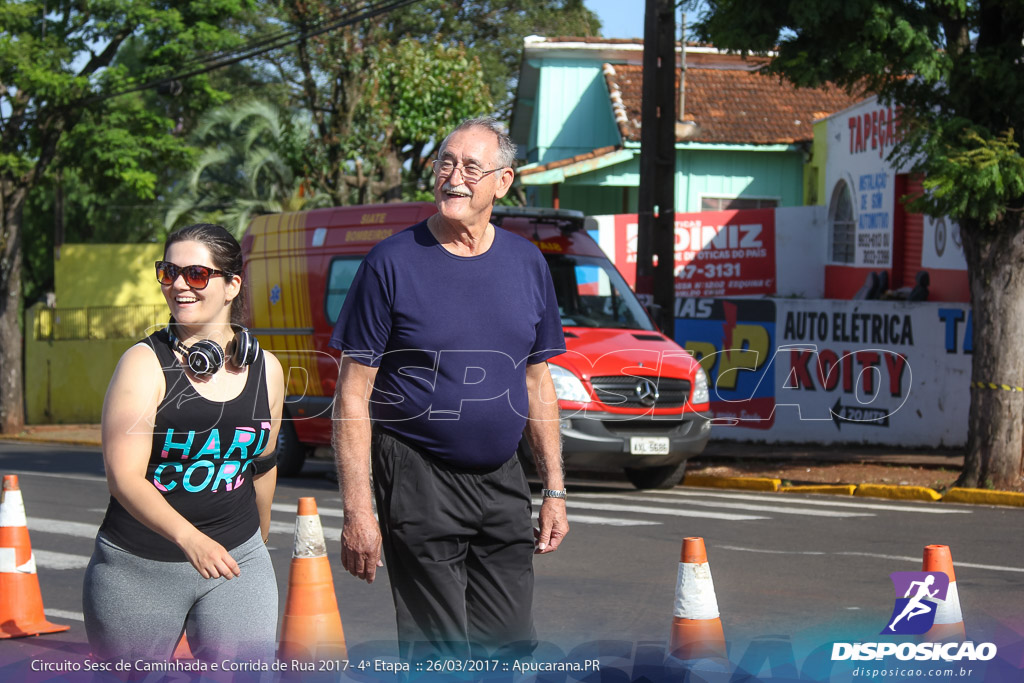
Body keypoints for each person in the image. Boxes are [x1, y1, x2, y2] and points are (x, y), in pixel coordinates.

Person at [330, 117, 569, 661]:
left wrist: (553, 489)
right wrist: (358, 511)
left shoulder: (527, 263)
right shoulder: (391, 262)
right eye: (445, 162)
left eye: (470, 167)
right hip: (417, 473)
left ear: (502, 183)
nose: (453, 177)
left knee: (509, 644)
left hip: (503, 477)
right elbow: (351, 394)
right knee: (438, 651)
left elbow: (538, 383)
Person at [83, 223, 285, 663]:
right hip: (139, 565)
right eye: (168, 272)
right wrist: (190, 539)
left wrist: (257, 543)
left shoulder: (267, 369)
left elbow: (263, 465)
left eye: (195, 274)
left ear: (232, 285)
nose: (178, 285)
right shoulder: (142, 364)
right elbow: (124, 477)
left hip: (235, 559)